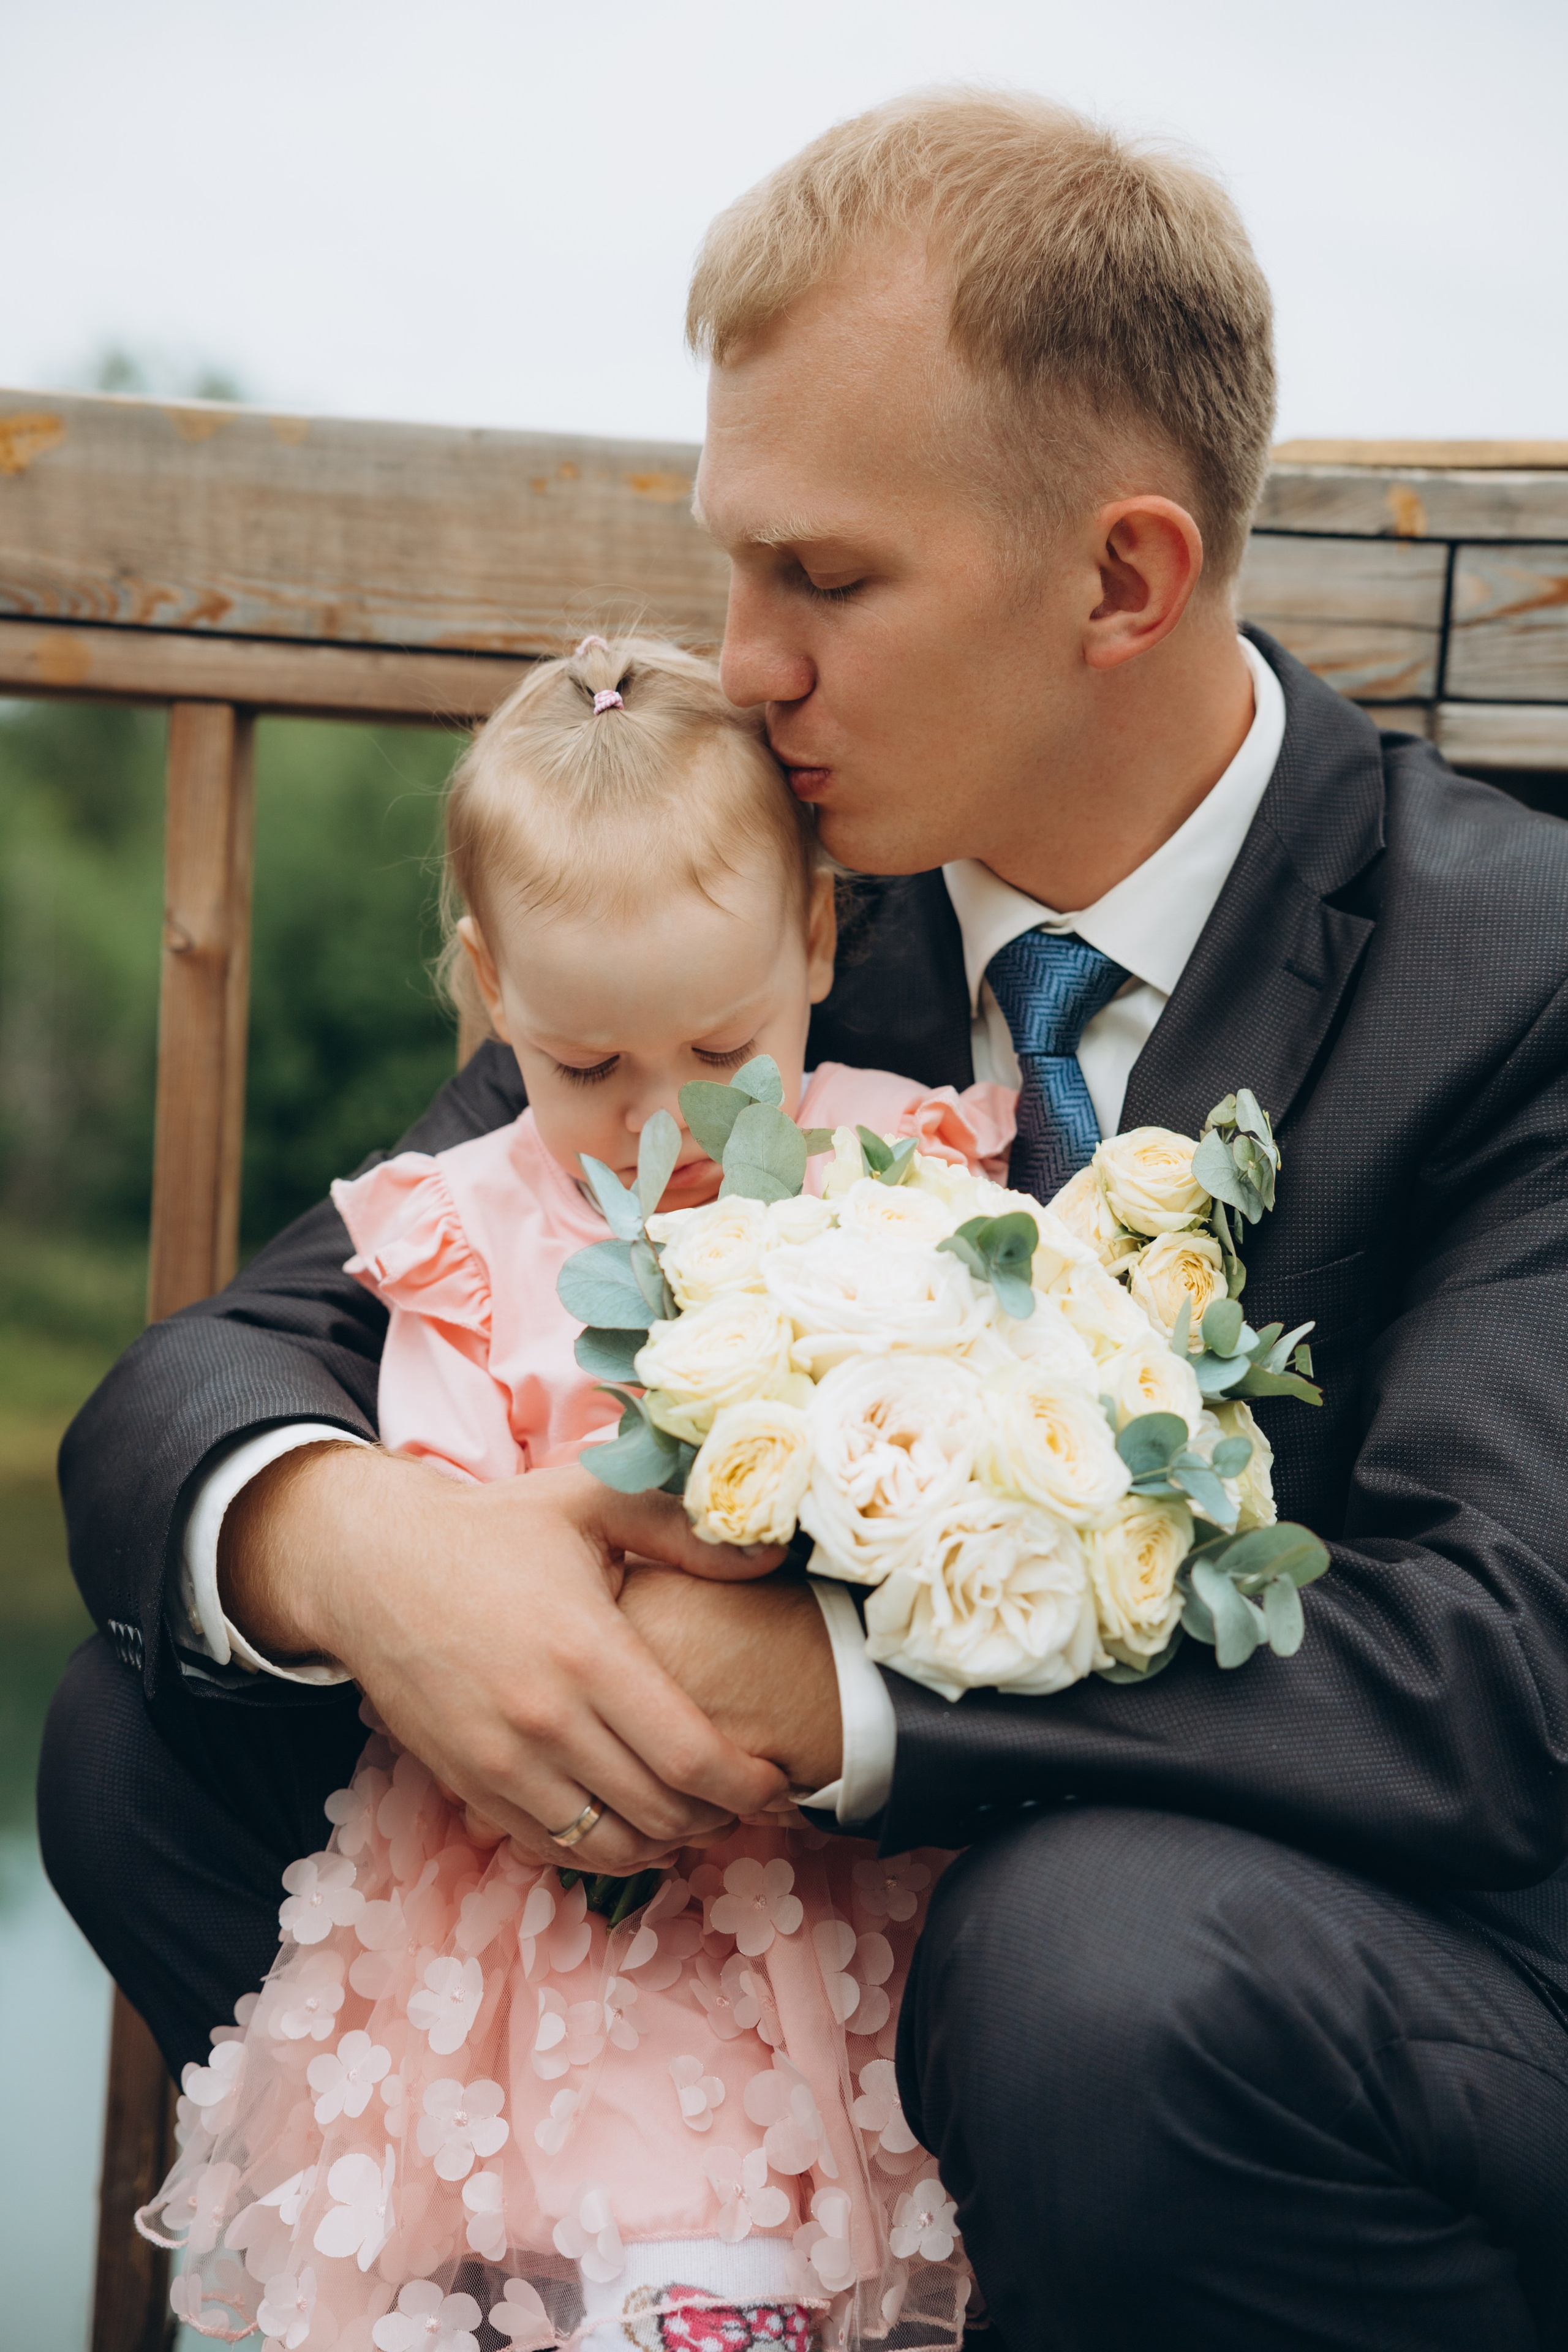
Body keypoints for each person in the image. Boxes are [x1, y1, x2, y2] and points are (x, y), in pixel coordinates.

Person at [42, 88, 1568, 2351]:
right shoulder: (764, 911)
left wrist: (841, 1692)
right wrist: (367, 1550)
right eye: (733, 562)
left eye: (823, 581)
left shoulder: (1516, 973)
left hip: (1302, 1997)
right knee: (151, 1732)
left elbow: (1488, 1684)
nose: (741, 662)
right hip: (754, 1966)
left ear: (1123, 580)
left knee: (1086, 1975)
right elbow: (215, 1377)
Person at [134, 635, 1005, 2349]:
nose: (660, 1127)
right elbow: (448, 1512)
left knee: (799, 2209)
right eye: (585, 1068)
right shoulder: (472, 1227)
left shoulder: (899, 1168)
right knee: (576, 2217)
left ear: (817, 944)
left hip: (817, 1852)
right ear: (491, 992)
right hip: (546, 1850)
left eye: (719, 1048)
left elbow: (954, 1423)